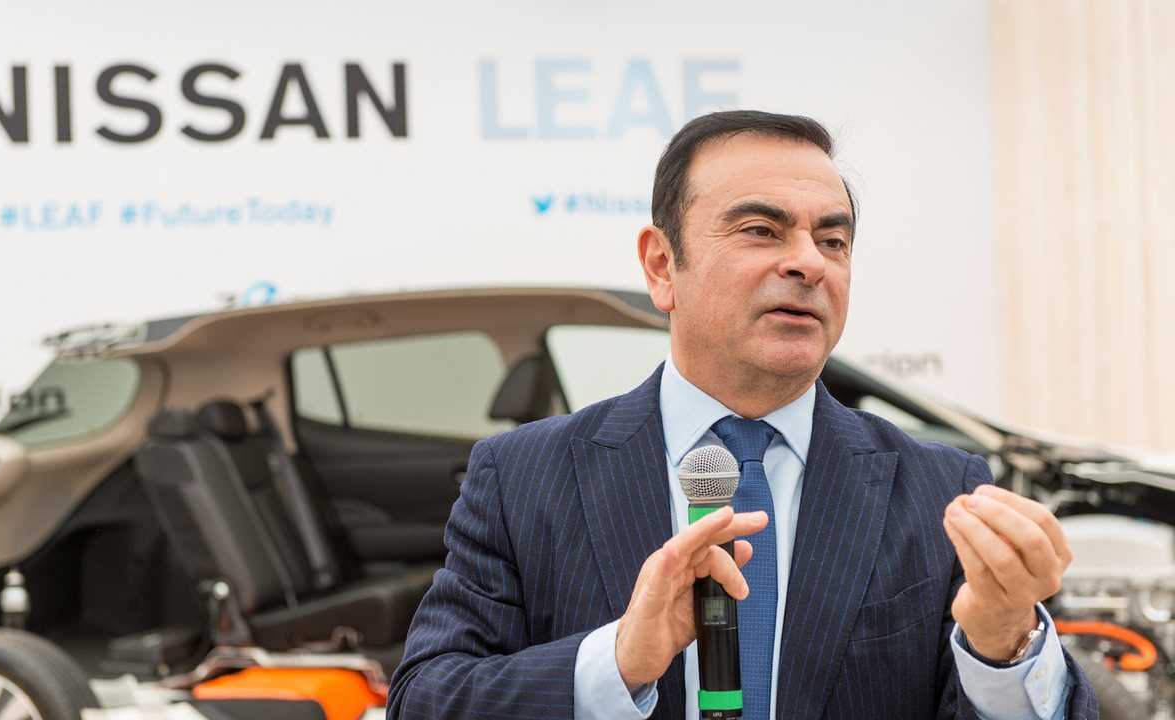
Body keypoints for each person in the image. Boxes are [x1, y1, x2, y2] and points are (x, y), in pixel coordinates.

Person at [386, 110, 1099, 719]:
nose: (809, 264)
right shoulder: (524, 476)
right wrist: (619, 660)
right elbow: (424, 699)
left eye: (832, 240)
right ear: (663, 265)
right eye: (762, 230)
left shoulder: (941, 489)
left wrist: (1001, 646)